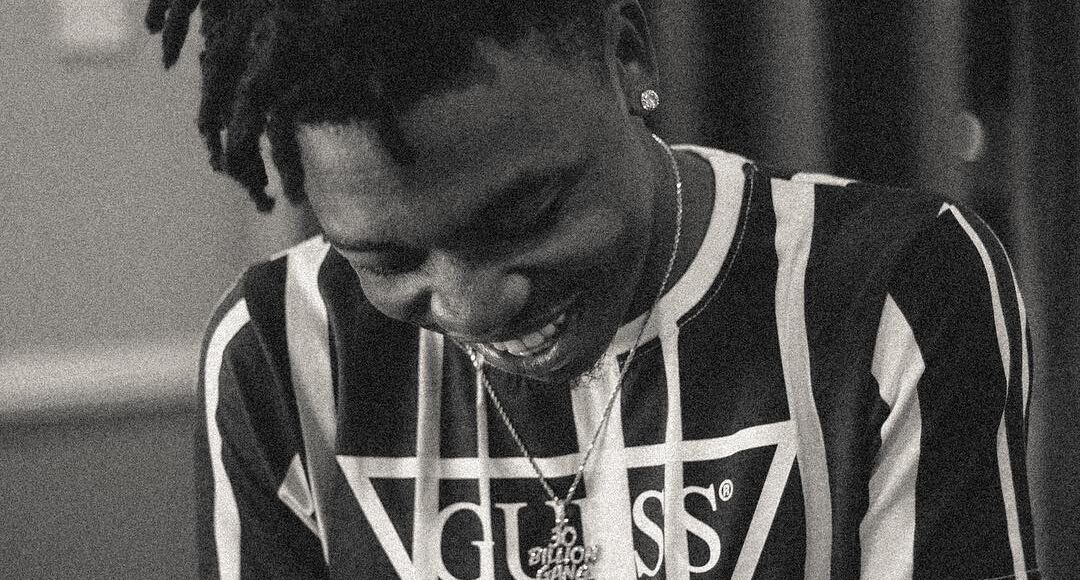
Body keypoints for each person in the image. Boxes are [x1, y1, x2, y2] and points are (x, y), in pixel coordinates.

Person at [145, 0, 1039, 578]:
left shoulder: (891, 289)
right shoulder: (280, 352)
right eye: (387, 261)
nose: (471, 307)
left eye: (524, 214)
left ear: (627, 56)